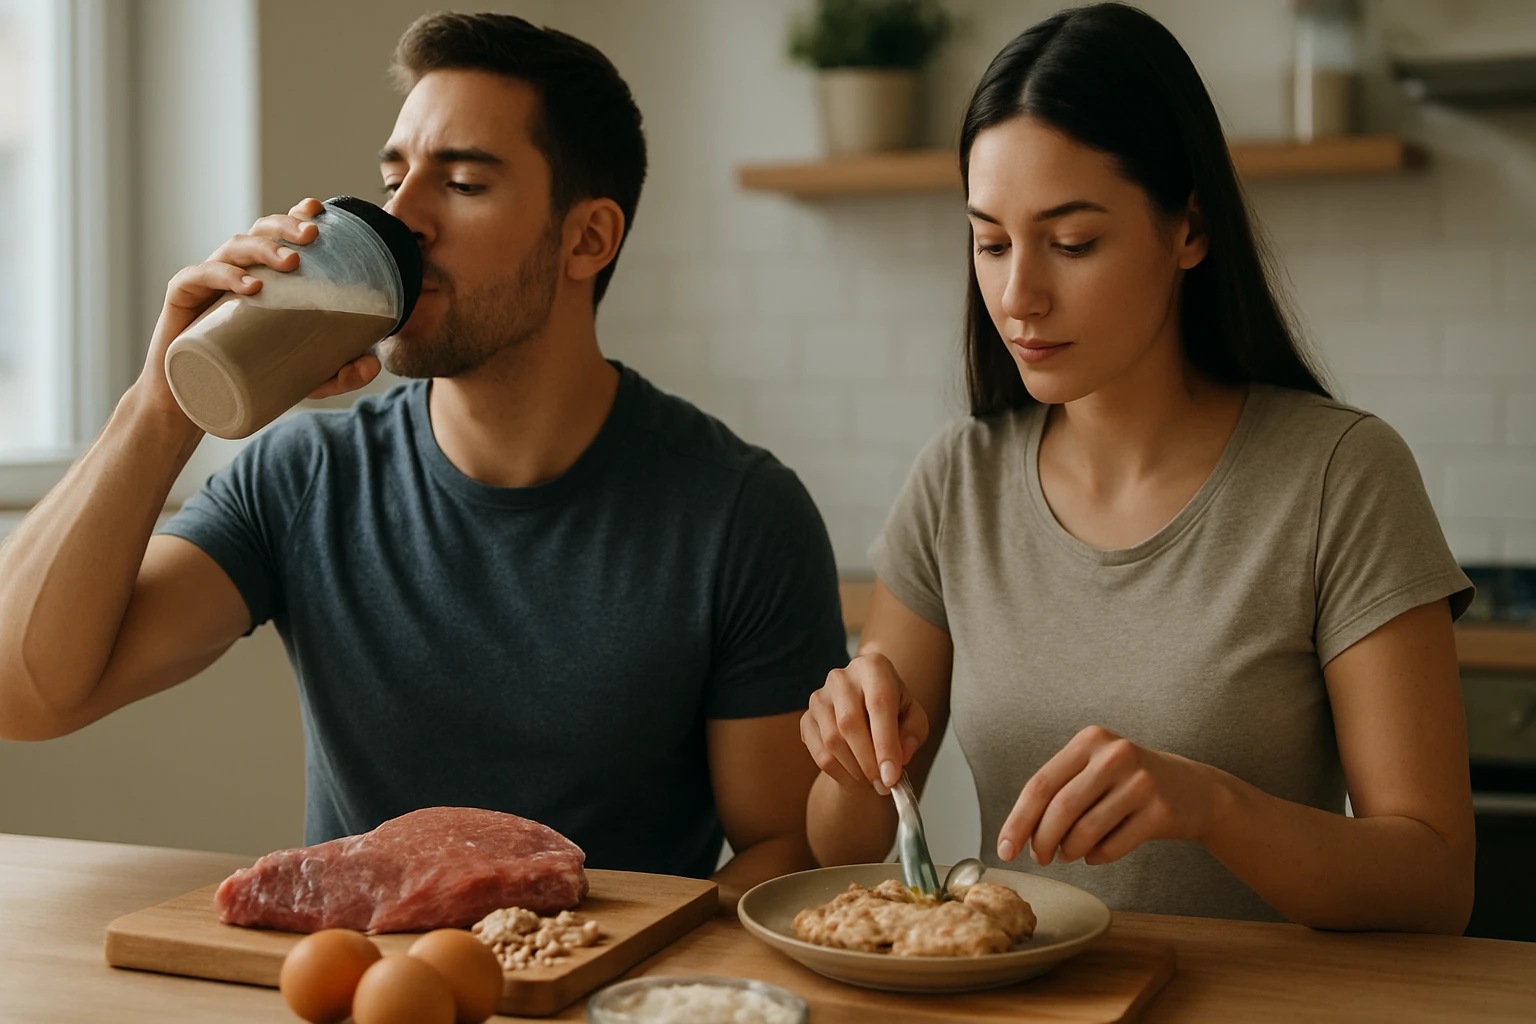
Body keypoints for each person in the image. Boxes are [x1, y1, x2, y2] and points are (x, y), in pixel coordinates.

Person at [0, 12, 846, 912]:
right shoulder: (306, 478)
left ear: (587, 239)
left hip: (607, 981)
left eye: (465, 183)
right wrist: (163, 405)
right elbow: (26, 696)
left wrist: (593, 963)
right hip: (353, 979)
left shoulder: (738, 513)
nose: (402, 221)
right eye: (393, 179)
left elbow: (783, 846)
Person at [800, 2, 1475, 933]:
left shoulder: (1340, 476)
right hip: (1022, 995)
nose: (1018, 295)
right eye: (990, 242)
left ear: (1189, 228)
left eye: (1072, 243)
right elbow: (840, 851)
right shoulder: (958, 481)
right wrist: (849, 759)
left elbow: (1436, 884)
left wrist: (1213, 806)